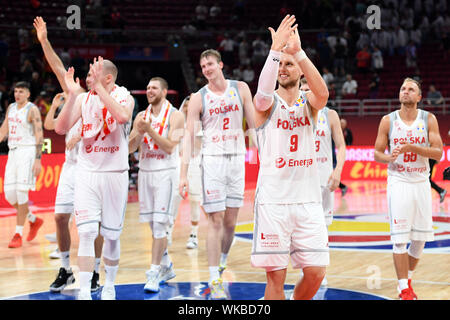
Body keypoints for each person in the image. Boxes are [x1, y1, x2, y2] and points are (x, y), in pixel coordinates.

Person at [251, 15, 329, 300]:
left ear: (299, 70)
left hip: (307, 201)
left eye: (288, 64)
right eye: (280, 64)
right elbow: (260, 96)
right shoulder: (265, 103)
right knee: (276, 278)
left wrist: (298, 52)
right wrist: (275, 50)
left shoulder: (309, 104)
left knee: (317, 272)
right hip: (273, 202)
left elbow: (323, 95)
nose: (283, 69)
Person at [34, 16, 104, 293]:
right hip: (71, 168)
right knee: (60, 218)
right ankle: (65, 269)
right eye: (83, 76)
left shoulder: (102, 102)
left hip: (93, 169)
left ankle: (95, 271)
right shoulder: (76, 96)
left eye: (90, 76)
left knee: (93, 226)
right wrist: (44, 41)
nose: (84, 79)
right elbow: (57, 66)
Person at [55, 57, 135, 300]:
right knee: (88, 232)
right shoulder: (83, 98)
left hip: (115, 174)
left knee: (110, 235)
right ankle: (84, 291)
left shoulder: (124, 96)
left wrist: (100, 90)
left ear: (108, 78)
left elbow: (121, 117)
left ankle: (109, 285)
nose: (87, 78)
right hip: (87, 173)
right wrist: (70, 95)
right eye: (89, 75)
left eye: (93, 74)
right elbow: (60, 128)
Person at [179, 48, 255, 299]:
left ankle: (222, 261)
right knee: (215, 220)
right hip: (211, 160)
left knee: (231, 223)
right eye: (203, 67)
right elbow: (188, 136)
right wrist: (183, 173)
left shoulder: (241, 88)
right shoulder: (199, 97)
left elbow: (253, 125)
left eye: (210, 64)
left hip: (236, 160)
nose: (207, 69)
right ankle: (213, 276)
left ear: (220, 64)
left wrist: (262, 154)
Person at [374, 77, 443, 300]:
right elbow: (377, 153)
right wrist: (388, 157)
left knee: (420, 239)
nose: (406, 92)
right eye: (403, 88)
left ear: (419, 96)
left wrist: (413, 147)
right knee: (400, 238)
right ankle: (403, 287)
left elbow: (438, 153)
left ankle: (408, 278)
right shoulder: (388, 120)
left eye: (411, 89)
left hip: (421, 182)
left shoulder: (428, 119)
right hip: (399, 181)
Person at [128, 77, 184, 293]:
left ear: (165, 90)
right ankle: (167, 265)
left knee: (160, 226)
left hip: (166, 174)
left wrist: (149, 131)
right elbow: (131, 148)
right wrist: (139, 132)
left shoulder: (176, 115)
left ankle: (153, 272)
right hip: (146, 173)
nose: (150, 90)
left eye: (154, 87)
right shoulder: (142, 117)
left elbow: (170, 147)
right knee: (153, 225)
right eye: (148, 87)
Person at [301, 77, 346, 286]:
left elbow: (341, 146)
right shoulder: (291, 112)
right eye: (302, 86)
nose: (305, 89)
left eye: (310, 86)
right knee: (301, 227)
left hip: (323, 177)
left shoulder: (330, 115)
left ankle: (320, 270)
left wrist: (338, 170)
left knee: (322, 228)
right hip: (299, 179)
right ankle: (306, 269)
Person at [0, 81, 44, 248]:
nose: (17, 94)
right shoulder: (11, 108)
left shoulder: (32, 109)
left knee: (21, 194)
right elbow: (3, 130)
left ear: (28, 94)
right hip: (13, 152)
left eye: (21, 92)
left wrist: (38, 159)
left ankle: (17, 233)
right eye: (16, 91)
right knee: (9, 195)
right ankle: (33, 220)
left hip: (28, 152)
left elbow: (39, 134)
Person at [179, 95, 204, 249]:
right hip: (177, 163)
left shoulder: (202, 125)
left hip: (195, 164)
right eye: (186, 105)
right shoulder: (176, 122)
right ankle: (166, 234)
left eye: (191, 106)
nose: (188, 108)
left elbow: (200, 146)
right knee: (173, 199)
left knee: (196, 201)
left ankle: (194, 234)